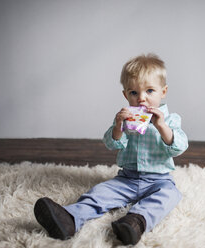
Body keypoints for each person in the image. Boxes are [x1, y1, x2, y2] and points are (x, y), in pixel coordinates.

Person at [34, 53, 188, 245]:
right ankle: (69, 219)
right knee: (100, 192)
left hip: (159, 180)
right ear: (125, 95)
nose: (141, 98)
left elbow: (179, 147)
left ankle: (135, 222)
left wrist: (162, 126)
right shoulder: (125, 118)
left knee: (170, 196)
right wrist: (118, 126)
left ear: (163, 91)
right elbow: (111, 143)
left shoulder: (171, 119)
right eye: (134, 93)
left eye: (149, 91)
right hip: (127, 179)